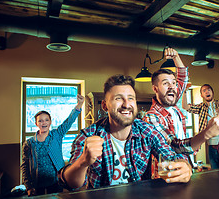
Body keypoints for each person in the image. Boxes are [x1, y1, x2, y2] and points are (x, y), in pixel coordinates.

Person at [59, 75, 192, 190]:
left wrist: (185, 167)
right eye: (118, 98)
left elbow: (171, 156)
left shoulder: (147, 131)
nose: (126, 104)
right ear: (105, 106)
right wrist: (83, 161)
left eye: (131, 98)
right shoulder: (88, 135)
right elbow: (72, 183)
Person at [143, 48, 219, 176]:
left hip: (186, 168)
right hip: (167, 175)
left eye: (173, 83)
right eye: (166, 83)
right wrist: (207, 133)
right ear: (155, 88)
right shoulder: (151, 117)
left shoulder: (173, 105)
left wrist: (176, 57)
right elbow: (174, 146)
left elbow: (183, 78)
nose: (172, 86)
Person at [21, 94, 85, 196]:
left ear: (50, 122)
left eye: (46, 120)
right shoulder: (29, 143)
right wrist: (28, 186)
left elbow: (69, 121)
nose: (44, 122)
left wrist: (80, 104)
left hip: (56, 181)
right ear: (36, 123)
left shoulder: (57, 134)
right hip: (37, 184)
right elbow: (24, 166)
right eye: (40, 121)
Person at [182, 66, 219, 169]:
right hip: (211, 146)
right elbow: (185, 107)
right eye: (204, 91)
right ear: (202, 95)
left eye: (209, 90)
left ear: (212, 92)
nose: (207, 92)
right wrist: (185, 91)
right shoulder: (201, 107)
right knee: (215, 173)